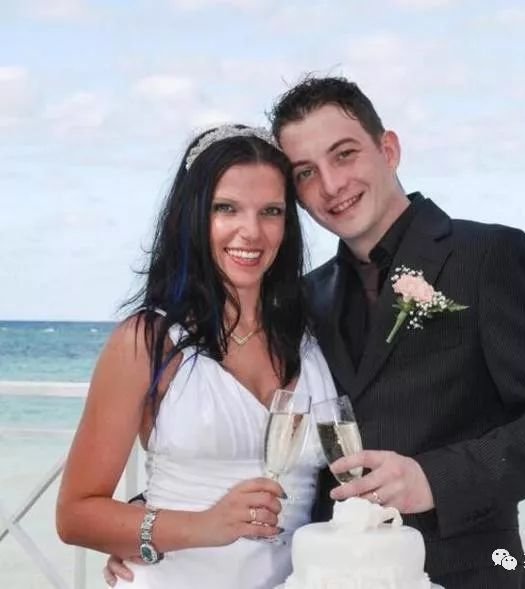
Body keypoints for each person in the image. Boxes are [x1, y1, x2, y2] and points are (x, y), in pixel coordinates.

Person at [267, 76, 525, 588]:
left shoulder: (489, 256)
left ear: (389, 149)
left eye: (345, 154)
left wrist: (432, 479)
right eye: (306, 173)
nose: (331, 185)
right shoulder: (307, 297)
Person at [56, 124, 337, 589]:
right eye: (226, 208)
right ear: (193, 217)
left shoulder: (311, 336)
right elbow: (75, 515)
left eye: (271, 211)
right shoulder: (146, 341)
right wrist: (200, 526)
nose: (252, 231)